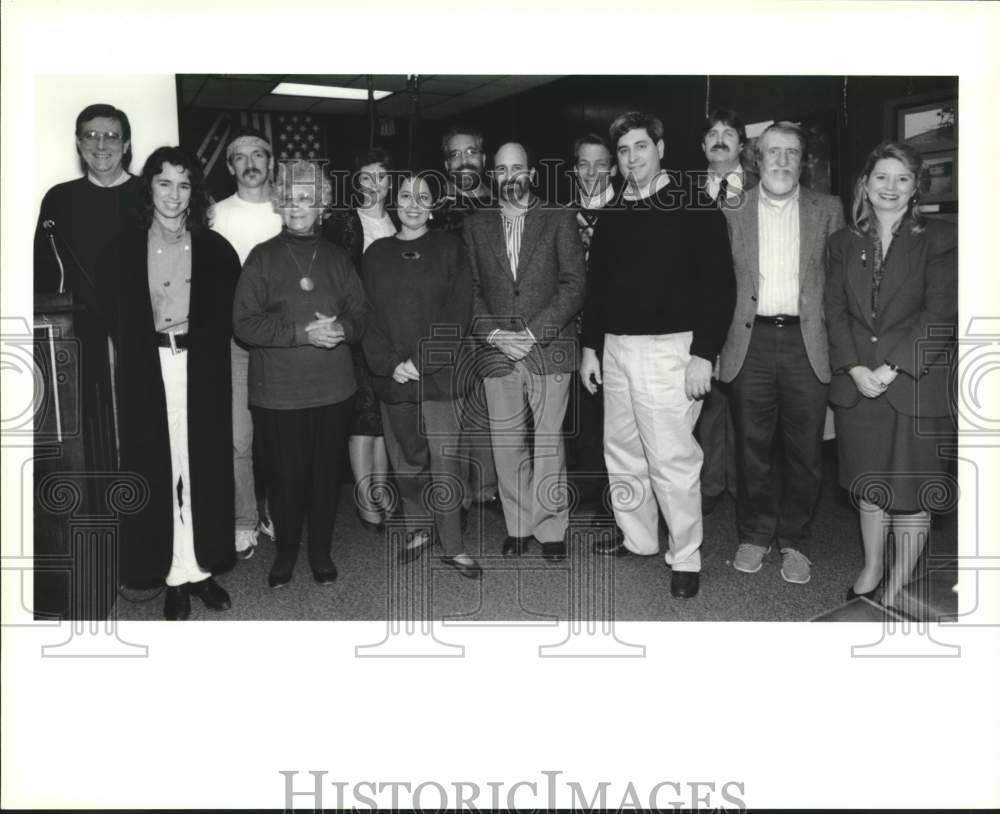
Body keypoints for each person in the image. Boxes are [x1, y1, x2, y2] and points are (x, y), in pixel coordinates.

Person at [580, 111, 735, 599]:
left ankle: (685, 555)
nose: (632, 159)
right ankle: (640, 537)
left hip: (673, 351)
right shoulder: (613, 213)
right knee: (622, 451)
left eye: (640, 147)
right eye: (623, 152)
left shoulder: (693, 204)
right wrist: (589, 348)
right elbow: (597, 290)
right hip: (616, 351)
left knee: (672, 459)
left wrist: (703, 354)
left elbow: (720, 286)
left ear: (661, 148)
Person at [99, 146, 239, 620]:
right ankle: (174, 573)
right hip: (148, 369)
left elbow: (226, 318)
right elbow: (114, 318)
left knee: (200, 466)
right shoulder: (122, 250)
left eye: (184, 185)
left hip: (198, 370)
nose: (174, 195)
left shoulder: (216, 250)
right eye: (164, 183)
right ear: (150, 187)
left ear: (193, 192)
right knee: (162, 469)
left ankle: (199, 568)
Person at [825, 142, 957, 607]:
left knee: (912, 490)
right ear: (865, 183)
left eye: (902, 178)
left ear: (916, 187)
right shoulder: (842, 243)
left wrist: (891, 365)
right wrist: (856, 367)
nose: (890, 187)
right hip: (858, 384)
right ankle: (873, 565)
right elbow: (833, 312)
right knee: (869, 485)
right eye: (881, 177)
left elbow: (939, 312)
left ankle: (900, 580)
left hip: (915, 382)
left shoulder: (941, 238)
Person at [718, 121, 845, 586]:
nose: (783, 161)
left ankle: (794, 540)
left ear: (802, 160)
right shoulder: (731, 209)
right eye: (773, 152)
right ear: (757, 157)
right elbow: (717, 284)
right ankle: (754, 534)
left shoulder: (828, 209)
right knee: (751, 449)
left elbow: (838, 285)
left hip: (805, 343)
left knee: (805, 451)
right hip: (747, 343)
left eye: (792, 152)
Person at [233, 160, 370, 589]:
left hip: (333, 390)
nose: (297, 207)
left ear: (322, 205)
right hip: (278, 394)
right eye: (290, 199)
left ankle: (320, 552)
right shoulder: (261, 257)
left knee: (325, 476)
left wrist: (342, 329)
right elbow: (243, 323)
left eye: (307, 200)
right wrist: (301, 333)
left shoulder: (337, 258)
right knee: (286, 478)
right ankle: (287, 552)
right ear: (280, 204)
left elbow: (361, 314)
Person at [463, 142, 586, 562]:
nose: (510, 176)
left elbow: (574, 285)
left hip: (549, 347)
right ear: (492, 175)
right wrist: (495, 335)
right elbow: (470, 292)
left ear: (531, 172)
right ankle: (518, 525)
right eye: (501, 169)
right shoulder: (476, 224)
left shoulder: (558, 217)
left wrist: (533, 334)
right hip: (496, 351)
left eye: (517, 167)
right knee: (507, 441)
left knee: (549, 442)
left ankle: (551, 527)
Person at [362, 173, 483, 579]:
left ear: (433, 205)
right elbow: (366, 316)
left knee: (445, 462)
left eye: (423, 197)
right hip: (394, 376)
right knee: (408, 459)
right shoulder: (376, 253)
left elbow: (459, 310)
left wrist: (423, 359)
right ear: (394, 202)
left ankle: (454, 544)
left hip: (440, 374)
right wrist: (390, 362)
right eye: (405, 196)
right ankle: (419, 528)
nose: (413, 204)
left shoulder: (450, 249)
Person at [34, 103, 144, 473]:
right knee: (88, 441)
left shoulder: (148, 194)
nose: (102, 145)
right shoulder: (58, 199)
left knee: (142, 433)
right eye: (91, 135)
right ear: (78, 143)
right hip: (79, 340)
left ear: (126, 145)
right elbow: (44, 273)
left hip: (141, 334)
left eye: (112, 136)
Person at [210, 127, 283, 559]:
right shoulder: (214, 215)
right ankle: (244, 520)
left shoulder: (287, 208)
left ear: (270, 162)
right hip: (236, 341)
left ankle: (275, 511)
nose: (250, 163)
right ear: (230, 166)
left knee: (278, 437)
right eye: (241, 156)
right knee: (240, 438)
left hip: (283, 342)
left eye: (259, 154)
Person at [323, 148, 395, 530]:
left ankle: (382, 491)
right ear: (356, 183)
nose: (375, 186)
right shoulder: (343, 222)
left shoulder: (400, 217)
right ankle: (365, 499)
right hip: (356, 331)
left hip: (392, 330)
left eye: (381, 177)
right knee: (362, 417)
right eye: (366, 178)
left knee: (383, 417)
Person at [432, 124, 501, 515]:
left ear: (483, 158)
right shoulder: (433, 209)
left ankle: (488, 489)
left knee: (491, 410)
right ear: (446, 163)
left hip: (495, 324)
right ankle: (454, 495)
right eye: (455, 155)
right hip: (450, 326)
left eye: (470, 152)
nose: (464, 160)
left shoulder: (503, 204)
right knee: (452, 412)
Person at [695, 107, 759, 514]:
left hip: (747, 316)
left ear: (741, 144)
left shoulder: (762, 188)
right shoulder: (679, 192)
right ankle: (708, 487)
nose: (720, 138)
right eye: (712, 133)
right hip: (698, 314)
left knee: (744, 410)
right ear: (703, 145)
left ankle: (743, 491)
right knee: (703, 407)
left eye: (729, 133)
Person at [566, 133, 625, 556]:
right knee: (578, 415)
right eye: (583, 164)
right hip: (570, 331)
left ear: (613, 168)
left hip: (615, 333)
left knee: (615, 420)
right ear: (574, 169)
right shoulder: (559, 215)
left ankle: (613, 502)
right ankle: (583, 491)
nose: (591, 172)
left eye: (600, 163)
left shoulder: (629, 211)